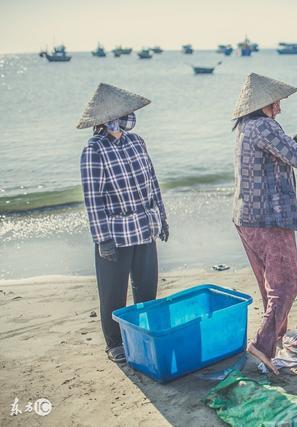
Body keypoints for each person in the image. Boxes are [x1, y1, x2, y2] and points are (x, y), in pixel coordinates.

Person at [231, 73, 297, 374]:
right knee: (288, 283)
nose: (280, 106)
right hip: (269, 218)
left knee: (271, 286)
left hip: (246, 218)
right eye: (277, 101)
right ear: (264, 104)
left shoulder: (246, 127)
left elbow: (282, 151)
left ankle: (275, 342)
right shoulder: (264, 125)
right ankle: (261, 346)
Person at [78, 83, 169, 363]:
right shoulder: (94, 150)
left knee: (146, 289)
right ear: (106, 118)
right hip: (115, 235)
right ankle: (114, 342)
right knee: (113, 293)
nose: (128, 117)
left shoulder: (136, 141)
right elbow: (94, 200)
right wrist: (102, 239)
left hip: (144, 227)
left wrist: (162, 218)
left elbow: (152, 182)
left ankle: (143, 335)